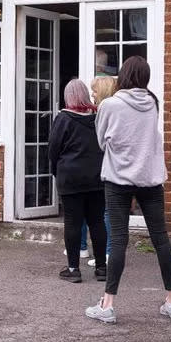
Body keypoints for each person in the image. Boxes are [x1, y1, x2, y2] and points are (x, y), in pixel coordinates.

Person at [85, 56, 171, 324]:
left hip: (118, 180)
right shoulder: (152, 103)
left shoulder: (109, 105)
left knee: (118, 241)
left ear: (123, 76)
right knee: (161, 239)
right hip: (150, 178)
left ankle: (108, 304)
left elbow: (102, 141)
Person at [48, 79, 107, 283]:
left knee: (73, 224)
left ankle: (73, 269)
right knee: (97, 222)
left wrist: (56, 171)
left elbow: (53, 150)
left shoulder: (63, 118)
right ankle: (102, 268)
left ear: (68, 97)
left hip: (71, 178)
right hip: (97, 178)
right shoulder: (97, 117)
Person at [86, 75, 117, 268]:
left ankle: (108, 253)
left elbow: (103, 142)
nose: (92, 94)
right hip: (109, 167)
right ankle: (110, 251)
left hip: (110, 167)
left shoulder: (106, 111)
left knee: (107, 212)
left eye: (95, 90)